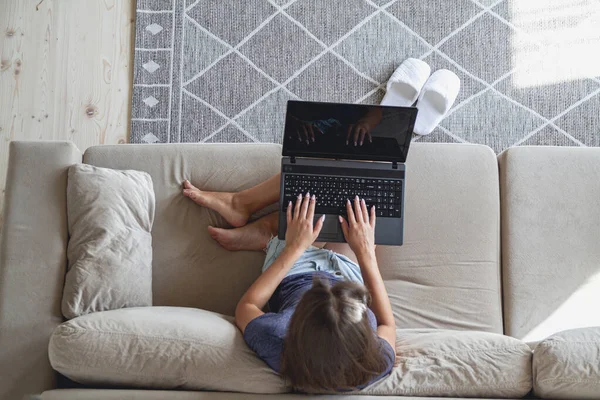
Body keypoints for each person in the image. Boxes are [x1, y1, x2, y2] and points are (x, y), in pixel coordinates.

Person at [182, 174, 396, 392]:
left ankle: (263, 229)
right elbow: (387, 324)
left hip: (295, 271)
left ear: (295, 325)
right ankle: (262, 229)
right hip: (348, 269)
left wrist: (295, 247)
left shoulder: (276, 340)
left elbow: (247, 306)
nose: (328, 283)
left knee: (313, 178)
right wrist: (366, 252)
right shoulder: (376, 362)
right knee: (350, 186)